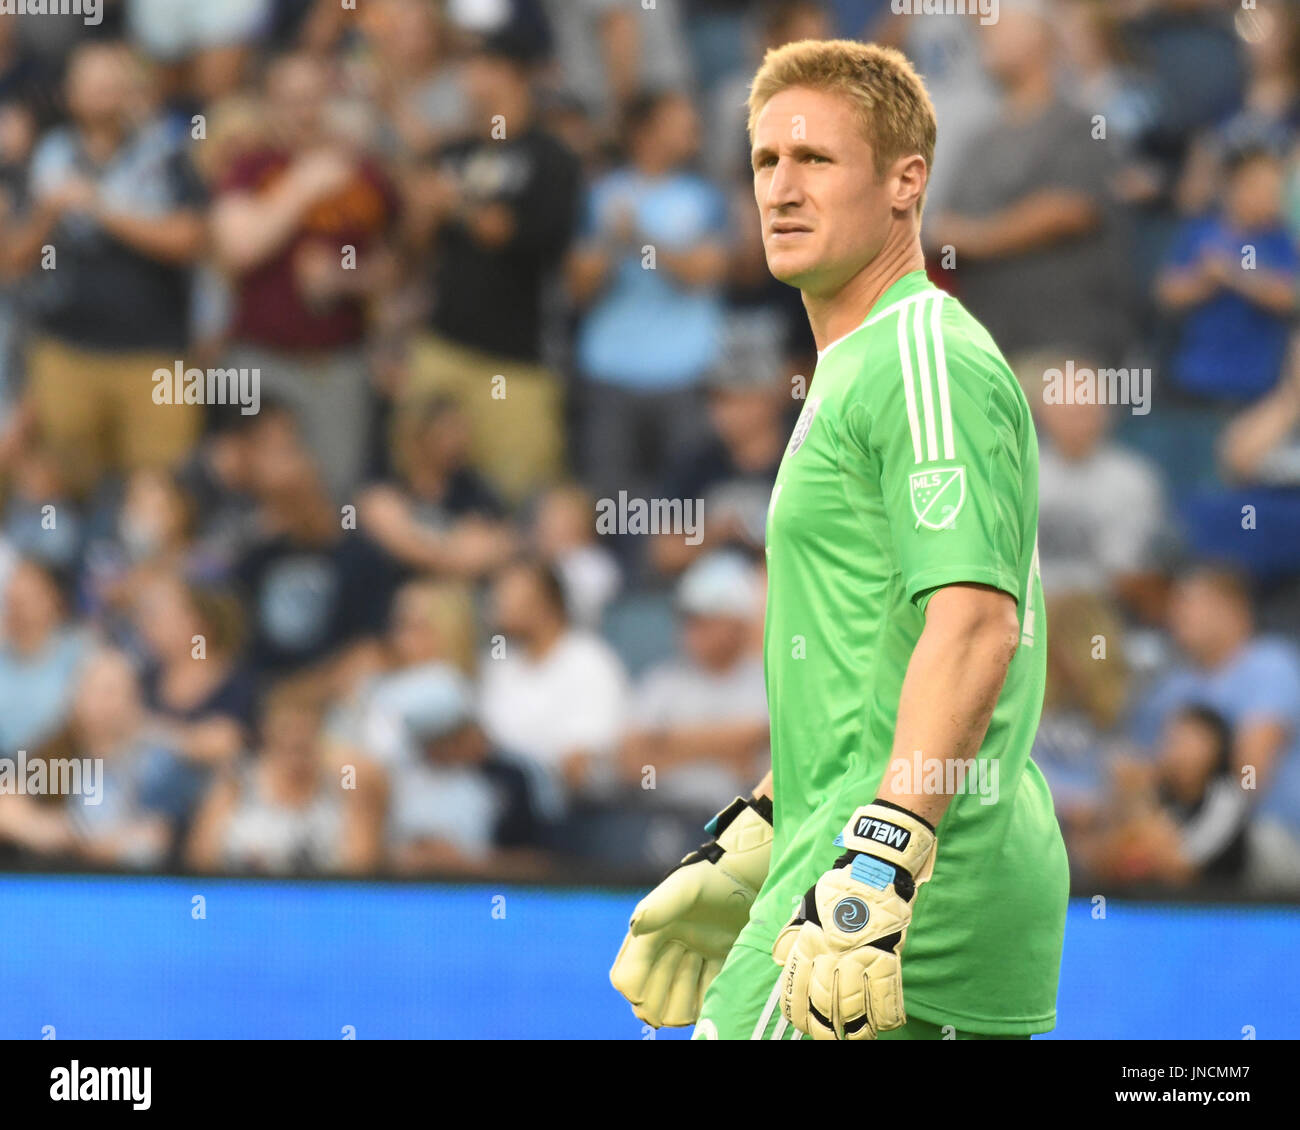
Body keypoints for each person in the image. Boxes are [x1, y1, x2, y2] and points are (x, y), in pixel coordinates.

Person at [611, 40, 1067, 1041]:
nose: (780, 185)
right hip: (867, 859)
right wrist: (757, 829)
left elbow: (974, 621)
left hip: (888, 892)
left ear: (906, 181)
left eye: (814, 159)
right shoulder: (864, 362)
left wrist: (880, 860)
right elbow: (871, 658)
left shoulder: (920, 354)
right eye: (765, 161)